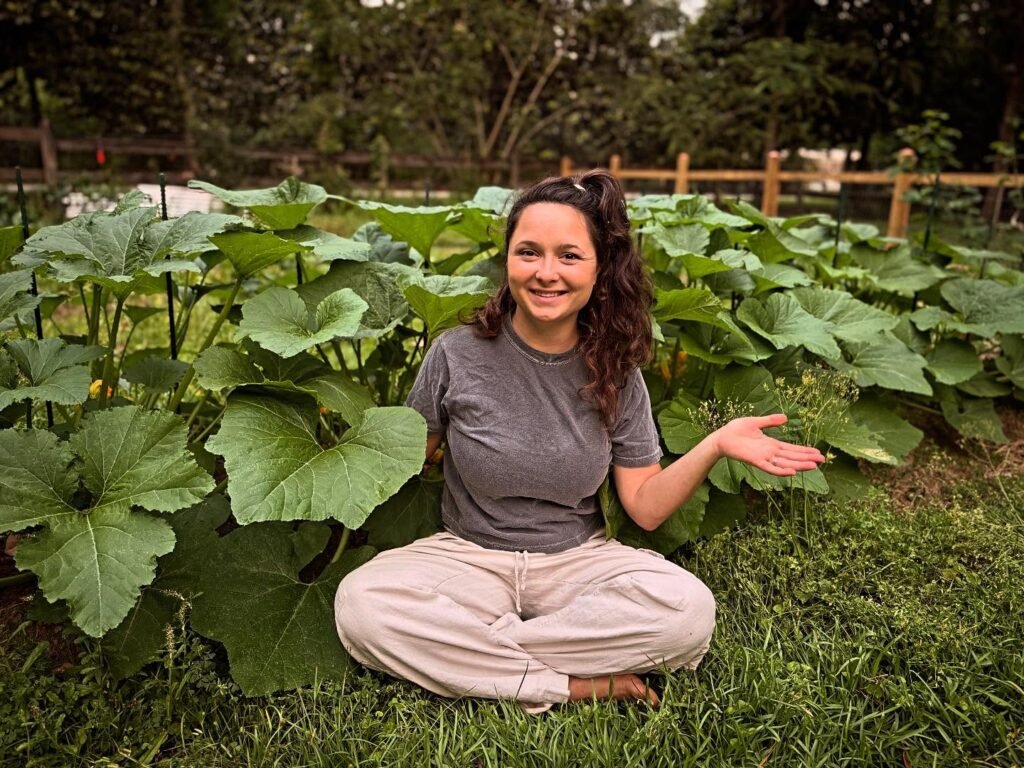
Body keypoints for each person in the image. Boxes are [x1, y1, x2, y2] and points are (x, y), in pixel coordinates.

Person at [335, 169, 825, 711]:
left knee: (688, 613)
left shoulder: (617, 370)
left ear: (599, 269)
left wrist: (714, 444)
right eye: (529, 253)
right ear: (507, 262)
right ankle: (570, 683)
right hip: (467, 557)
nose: (547, 273)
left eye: (569, 255)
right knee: (361, 605)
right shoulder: (456, 353)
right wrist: (338, 449)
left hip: (578, 565)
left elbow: (645, 508)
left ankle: (478, 655)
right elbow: (405, 457)